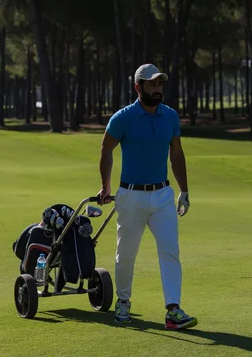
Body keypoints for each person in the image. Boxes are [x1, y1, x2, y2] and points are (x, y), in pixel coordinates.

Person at [96, 63, 197, 330]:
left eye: (160, 84)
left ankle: (173, 311)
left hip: (162, 194)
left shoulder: (171, 116)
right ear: (138, 86)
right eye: (152, 84)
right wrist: (105, 186)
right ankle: (123, 302)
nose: (157, 88)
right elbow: (106, 150)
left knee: (170, 252)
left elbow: (176, 154)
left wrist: (183, 191)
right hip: (130, 195)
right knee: (126, 254)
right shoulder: (123, 117)